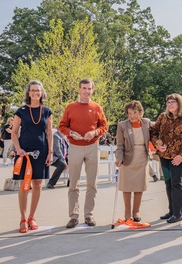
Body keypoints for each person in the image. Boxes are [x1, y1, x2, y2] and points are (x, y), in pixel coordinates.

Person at [59, 79, 108, 228]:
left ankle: (89, 215)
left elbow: (104, 126)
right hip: (75, 147)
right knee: (73, 183)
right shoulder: (70, 107)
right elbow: (62, 126)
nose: (87, 91)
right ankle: (73, 216)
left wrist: (94, 132)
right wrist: (71, 133)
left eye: (89, 89)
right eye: (84, 88)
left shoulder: (97, 107)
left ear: (92, 90)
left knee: (92, 183)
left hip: (93, 147)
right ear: (79, 89)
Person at [11, 80, 53, 233]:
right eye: (33, 90)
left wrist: (50, 152)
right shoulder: (20, 111)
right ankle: (22, 218)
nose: (35, 92)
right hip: (24, 151)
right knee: (24, 184)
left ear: (42, 93)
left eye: (38, 90)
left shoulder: (47, 111)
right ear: (28, 93)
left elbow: (49, 133)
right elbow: (14, 132)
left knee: (37, 183)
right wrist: (18, 149)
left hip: (41, 151)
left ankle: (32, 217)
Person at [152, 93, 182, 223]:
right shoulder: (162, 117)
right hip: (164, 156)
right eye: (168, 102)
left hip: (179, 157)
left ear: (179, 104)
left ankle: (178, 213)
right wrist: (158, 144)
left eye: (172, 102)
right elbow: (153, 132)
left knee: (176, 183)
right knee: (168, 183)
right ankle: (171, 211)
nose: (170, 105)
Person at [115, 101, 152, 222]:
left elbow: (156, 135)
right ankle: (127, 212)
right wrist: (119, 157)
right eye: (129, 113)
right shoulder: (122, 125)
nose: (132, 116)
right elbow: (119, 145)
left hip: (142, 157)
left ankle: (136, 211)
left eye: (135, 112)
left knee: (139, 186)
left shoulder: (147, 123)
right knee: (127, 186)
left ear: (141, 112)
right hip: (127, 158)